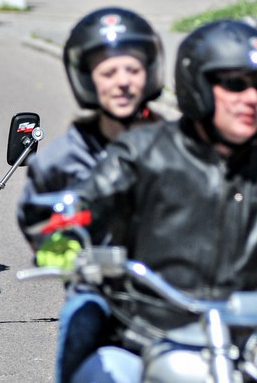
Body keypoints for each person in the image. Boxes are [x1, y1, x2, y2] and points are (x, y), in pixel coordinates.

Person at [22, 19, 257, 382]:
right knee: (98, 369)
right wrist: (64, 236)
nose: (251, 98)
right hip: (147, 330)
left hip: (245, 332)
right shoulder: (144, 152)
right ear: (198, 86)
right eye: (235, 85)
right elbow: (82, 204)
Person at [16, 7, 165, 383]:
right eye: (109, 72)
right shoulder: (61, 159)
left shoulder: (178, 145)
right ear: (87, 80)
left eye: (132, 70)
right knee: (81, 317)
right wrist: (71, 255)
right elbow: (38, 224)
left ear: (149, 74)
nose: (123, 82)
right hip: (106, 291)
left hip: (177, 287)